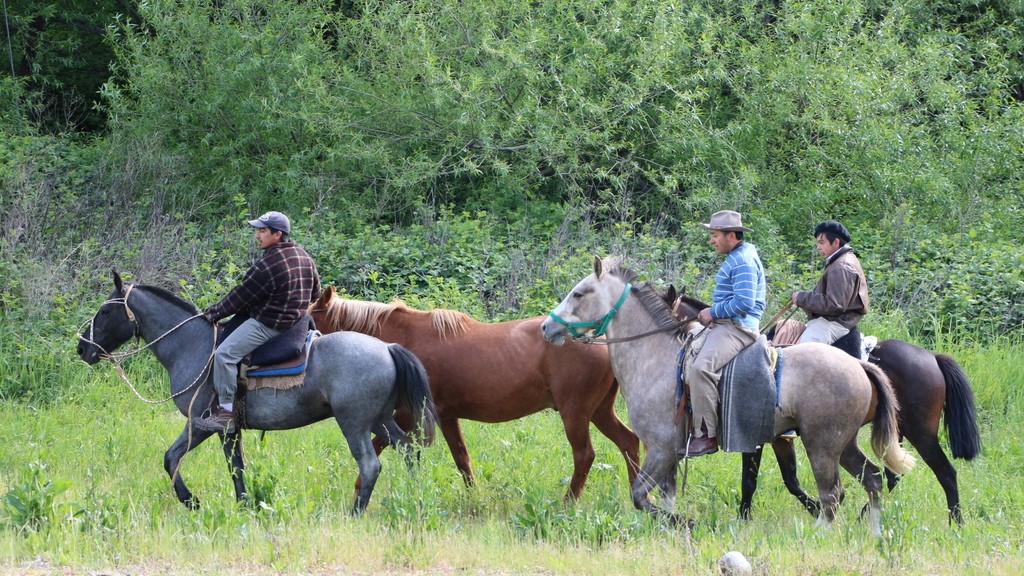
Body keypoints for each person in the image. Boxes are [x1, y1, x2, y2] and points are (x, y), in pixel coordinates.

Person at [195, 211, 321, 433]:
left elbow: (240, 297)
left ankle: (225, 413)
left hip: (269, 325)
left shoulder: (268, 265)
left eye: (262, 230)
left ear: (277, 234)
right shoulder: (304, 256)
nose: (257, 235)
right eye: (258, 230)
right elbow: (315, 294)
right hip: (296, 323)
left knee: (224, 354)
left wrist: (214, 313)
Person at [679, 210, 766, 457]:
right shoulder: (738, 256)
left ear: (731, 235)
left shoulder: (742, 261)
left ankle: (705, 435)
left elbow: (745, 302)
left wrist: (712, 312)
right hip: (728, 323)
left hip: (738, 327)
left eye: (715, 235)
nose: (712, 240)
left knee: (700, 368)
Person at [791, 220, 868, 345]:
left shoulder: (841, 266)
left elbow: (834, 304)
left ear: (836, 242)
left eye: (822, 242)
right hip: (834, 320)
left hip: (834, 323)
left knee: (801, 352)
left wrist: (801, 298)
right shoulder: (839, 261)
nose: (818, 247)